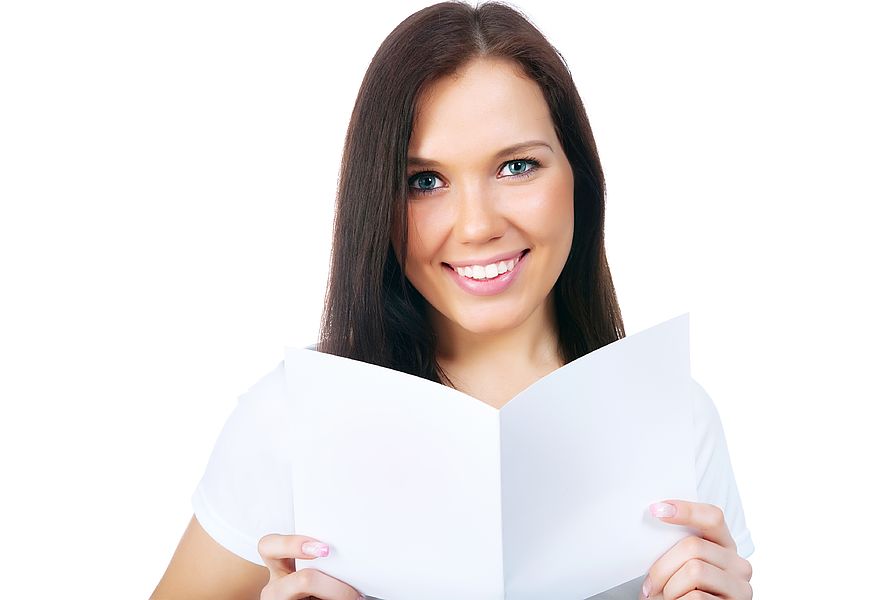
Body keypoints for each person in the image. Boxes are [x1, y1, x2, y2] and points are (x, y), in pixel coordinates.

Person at [150, 2, 754, 599]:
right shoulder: (290, 419)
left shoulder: (675, 419)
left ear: (580, 178)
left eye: (516, 166)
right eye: (425, 182)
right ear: (377, 204)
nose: (475, 226)